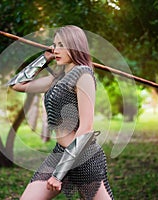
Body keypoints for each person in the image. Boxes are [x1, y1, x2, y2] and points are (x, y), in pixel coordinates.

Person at [9, 25, 114, 200]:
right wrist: (44, 58)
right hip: (60, 153)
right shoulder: (57, 78)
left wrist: (59, 174)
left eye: (61, 45)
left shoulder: (84, 75)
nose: (56, 49)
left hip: (84, 157)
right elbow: (16, 85)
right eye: (54, 45)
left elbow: (86, 128)